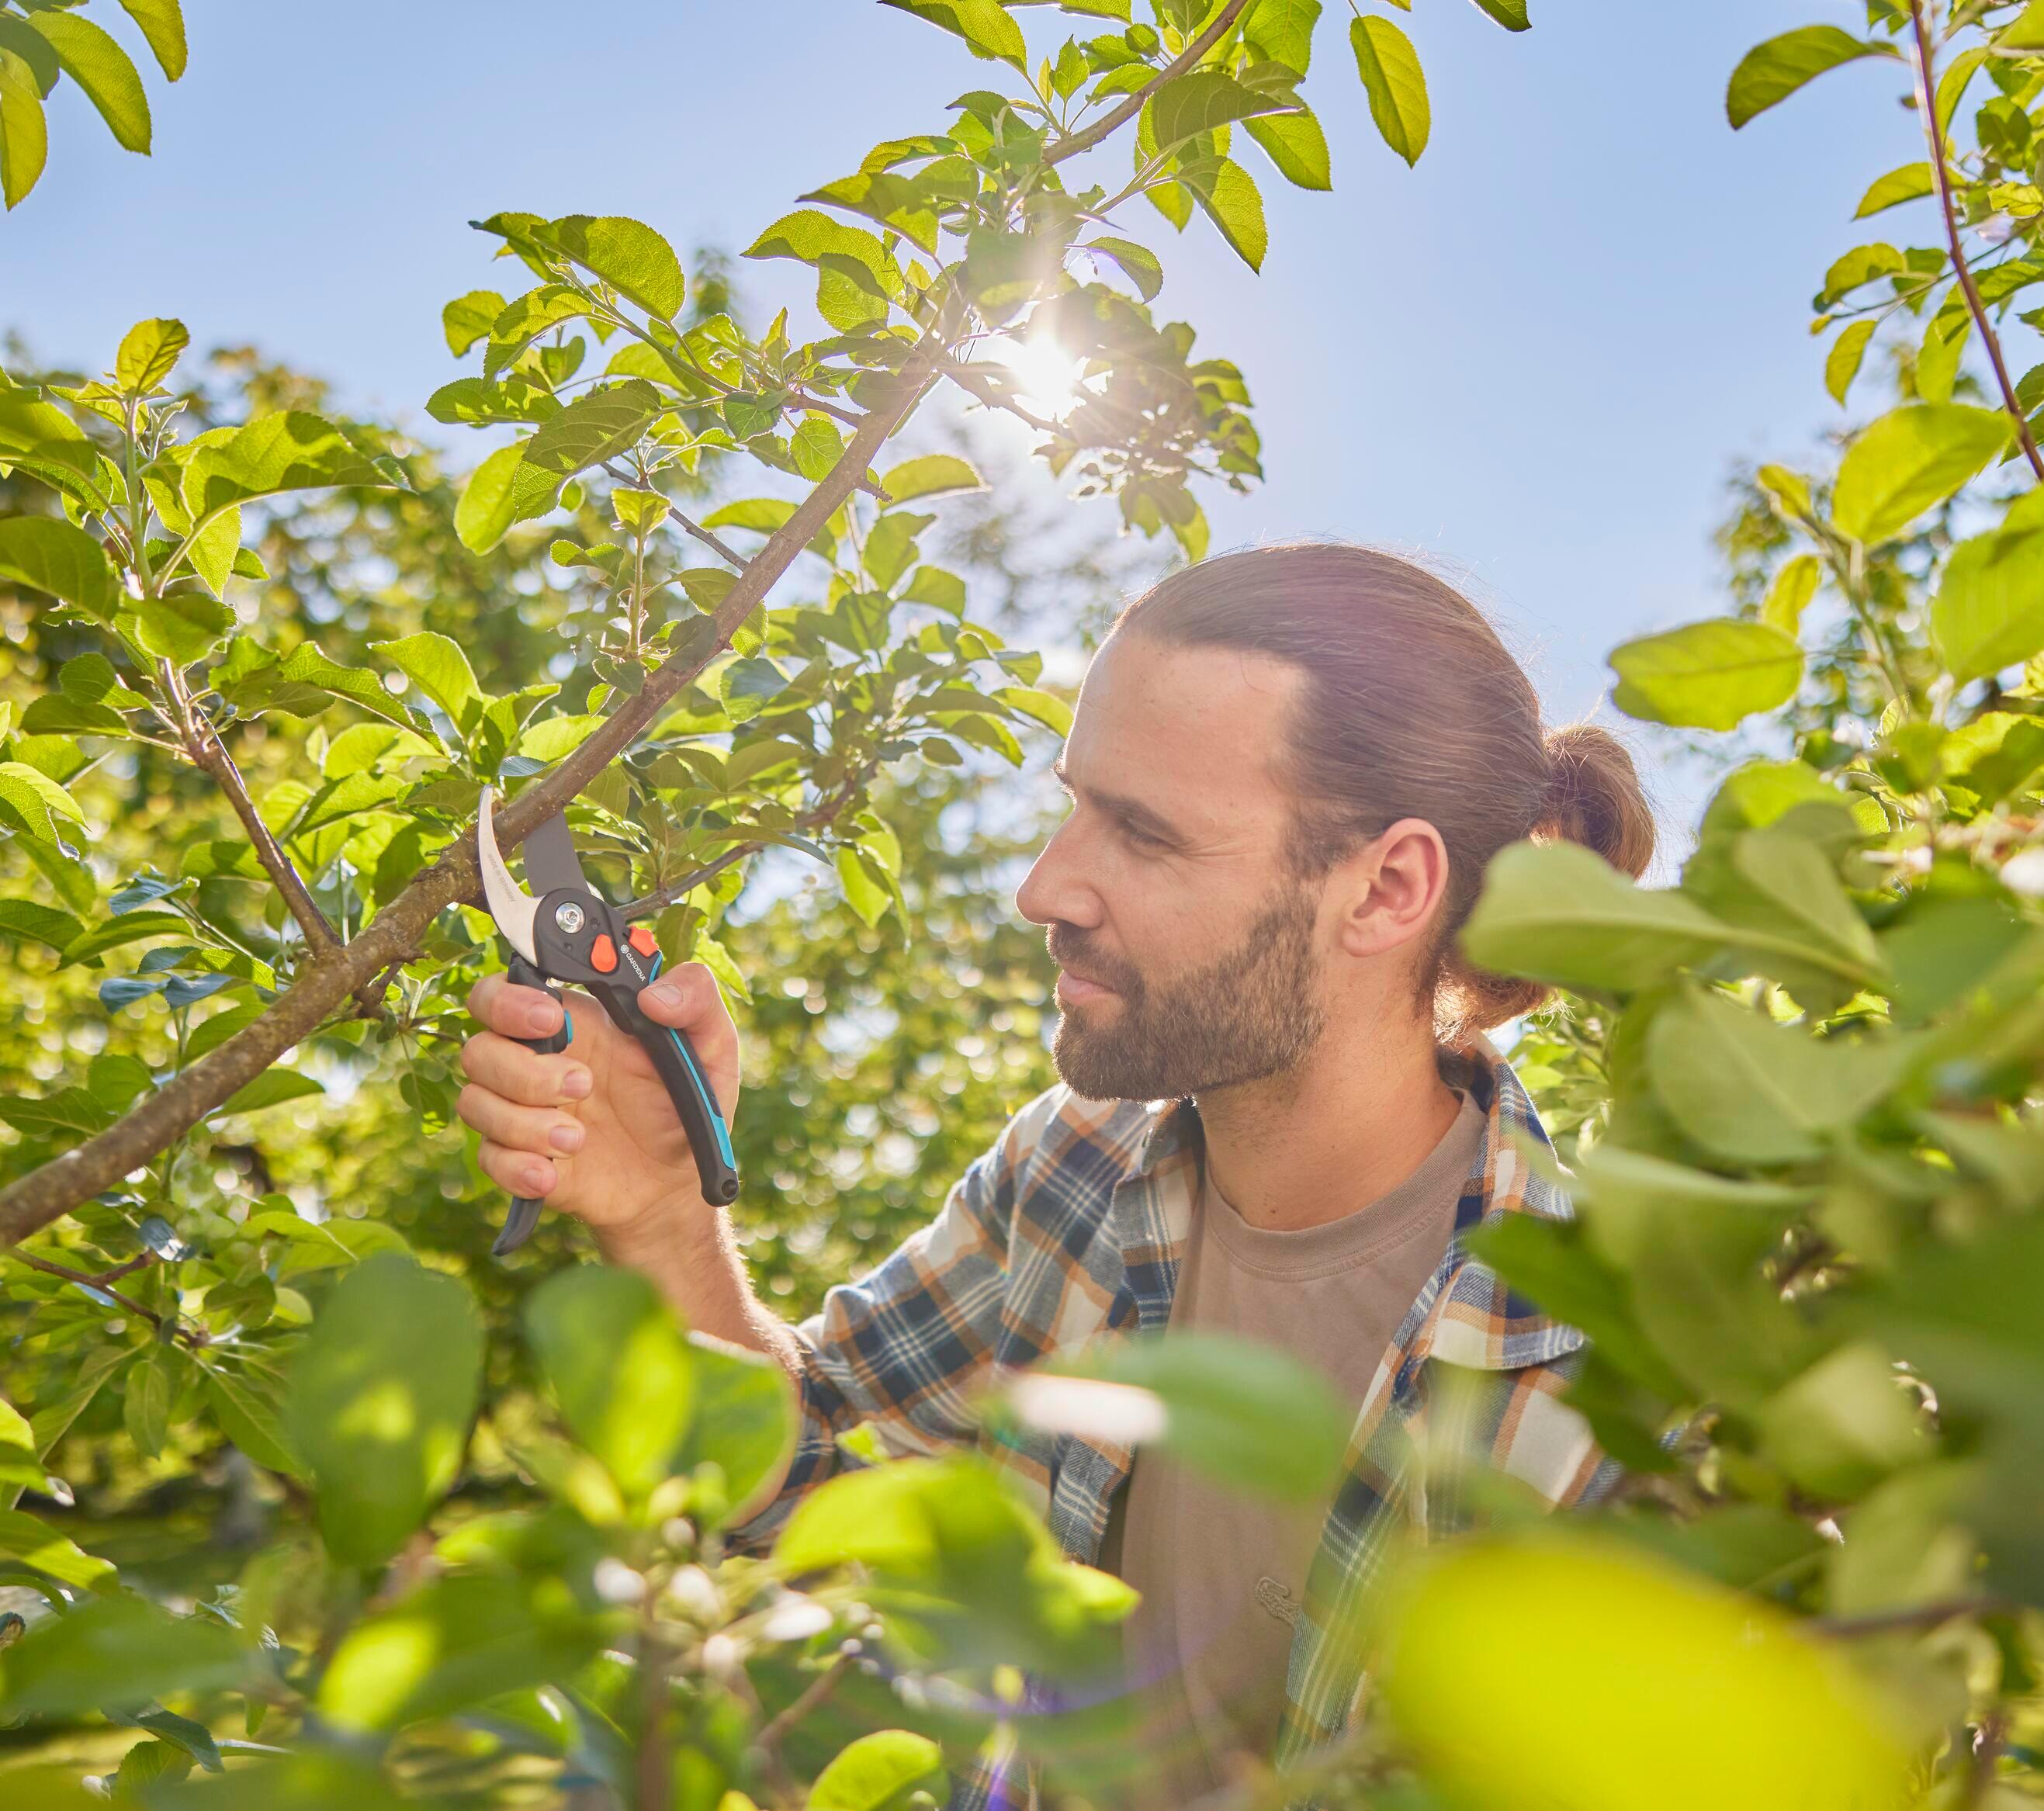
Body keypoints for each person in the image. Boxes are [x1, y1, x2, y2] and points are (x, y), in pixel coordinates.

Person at [456, 542, 1654, 1802]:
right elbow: (808, 1471)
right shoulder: (1076, 1163)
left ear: (1387, 887)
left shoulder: (1607, 1383)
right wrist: (659, 1216)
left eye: (1143, 832)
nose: (1046, 885)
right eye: (1078, 800)